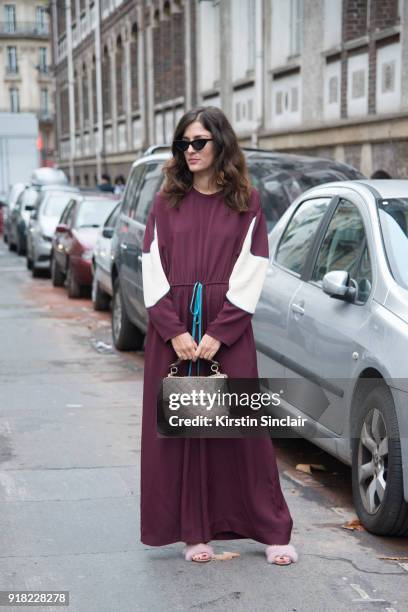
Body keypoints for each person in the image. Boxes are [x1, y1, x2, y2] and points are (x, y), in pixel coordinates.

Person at [140, 106, 297, 565]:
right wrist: (173, 331)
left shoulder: (244, 201)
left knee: (244, 434)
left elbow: (252, 269)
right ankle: (195, 532)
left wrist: (219, 333)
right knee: (186, 434)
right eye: (183, 144)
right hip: (172, 332)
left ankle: (272, 530)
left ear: (220, 145)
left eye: (198, 143)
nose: (189, 151)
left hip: (227, 329)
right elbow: (152, 269)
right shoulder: (165, 202)